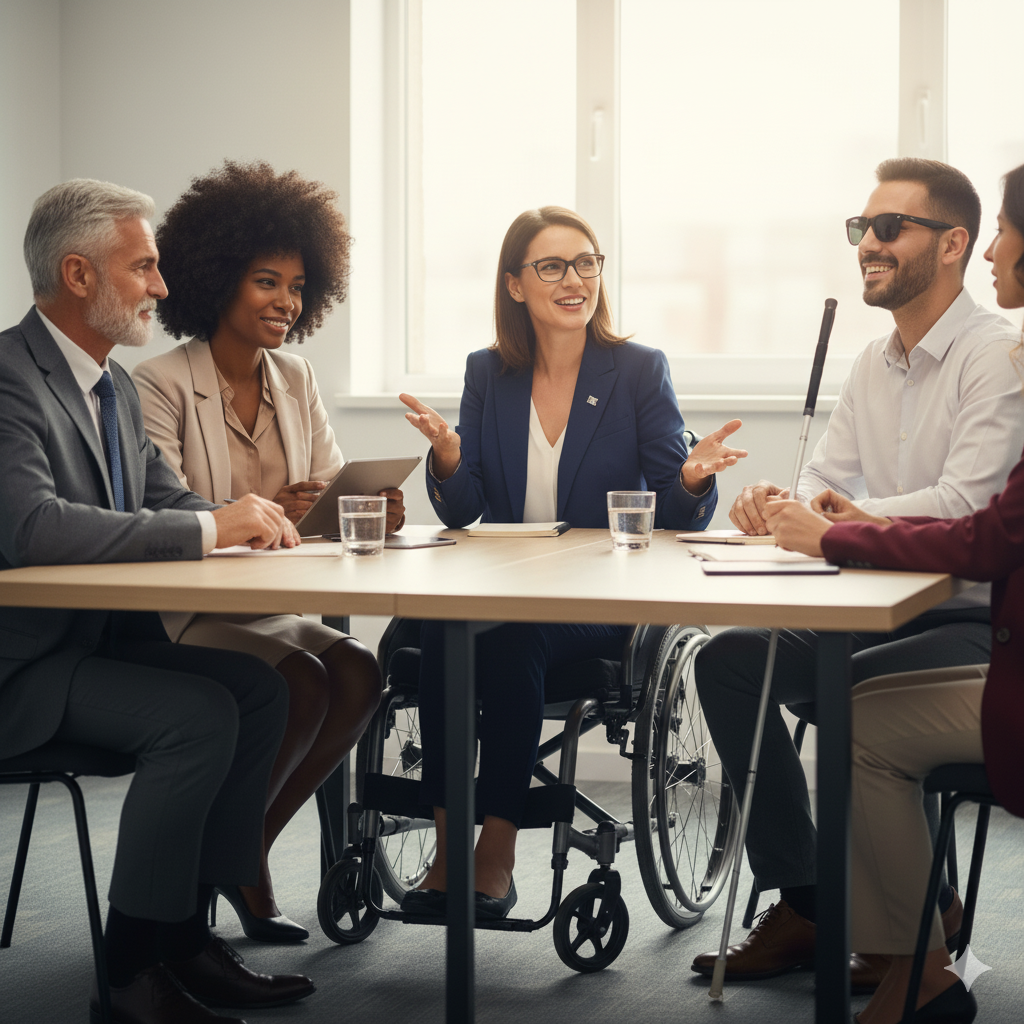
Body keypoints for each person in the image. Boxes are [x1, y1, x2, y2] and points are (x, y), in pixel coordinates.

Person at [690, 158, 1024, 988]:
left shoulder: (997, 356)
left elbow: (964, 507)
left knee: (846, 699)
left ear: (953, 244)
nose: (866, 244)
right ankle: (809, 900)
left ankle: (915, 917)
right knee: (729, 661)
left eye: (886, 228)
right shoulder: (874, 359)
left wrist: (838, 525)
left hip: (964, 617)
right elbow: (824, 480)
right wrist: (781, 503)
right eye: (859, 229)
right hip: (873, 603)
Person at [0, 178, 315, 1024]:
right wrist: (211, 534)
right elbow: (33, 528)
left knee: (259, 688)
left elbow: (166, 501)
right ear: (77, 274)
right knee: (197, 715)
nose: (162, 287)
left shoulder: (108, 384)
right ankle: (134, 969)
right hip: (22, 668)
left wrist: (244, 520)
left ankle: (185, 936)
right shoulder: (6, 380)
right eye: (143, 268)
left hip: (91, 646)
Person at [399, 205, 747, 918]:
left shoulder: (638, 370)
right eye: (553, 265)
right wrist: (448, 458)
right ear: (515, 285)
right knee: (438, 624)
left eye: (587, 262)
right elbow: (464, 511)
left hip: (600, 600)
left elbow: (669, 516)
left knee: (515, 639)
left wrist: (689, 480)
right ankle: (444, 849)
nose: (574, 279)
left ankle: (494, 851)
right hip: (502, 584)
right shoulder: (486, 373)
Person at [132, 160, 393, 942]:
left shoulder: (297, 376)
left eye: (298, 286)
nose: (287, 302)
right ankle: (235, 863)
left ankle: (242, 852)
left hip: (271, 606)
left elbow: (324, 484)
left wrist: (354, 502)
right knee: (304, 680)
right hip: (192, 614)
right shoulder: (158, 383)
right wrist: (252, 514)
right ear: (217, 282)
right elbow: (163, 510)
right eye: (266, 282)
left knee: (358, 669)